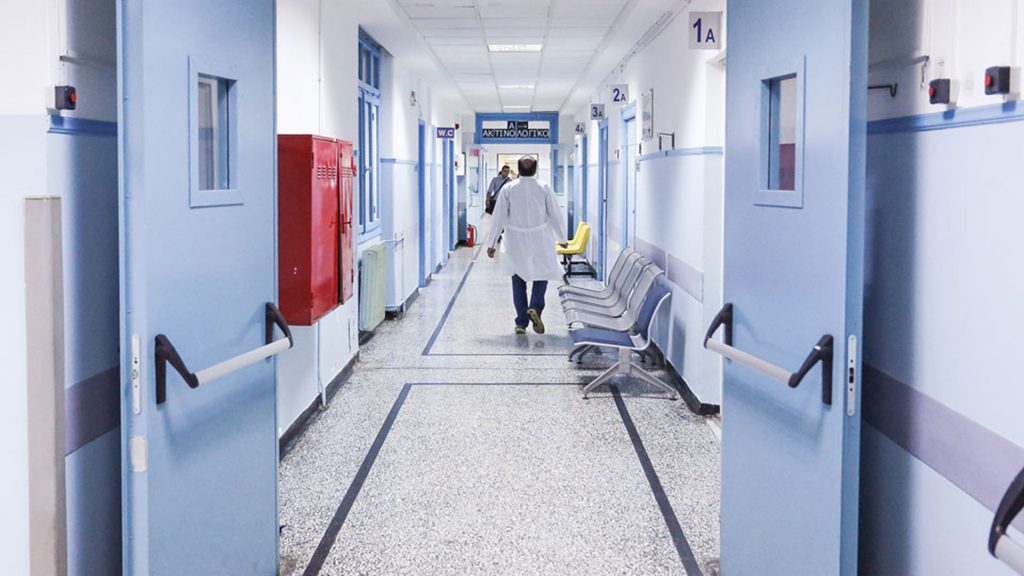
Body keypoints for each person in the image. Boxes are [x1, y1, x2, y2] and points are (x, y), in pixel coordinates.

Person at [484, 157, 567, 335]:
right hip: (540, 238)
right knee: (542, 274)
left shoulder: (508, 189)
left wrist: (492, 244)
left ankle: (521, 323)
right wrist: (562, 238)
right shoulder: (544, 187)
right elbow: (555, 214)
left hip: (515, 240)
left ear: (519, 170)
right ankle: (535, 307)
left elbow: (498, 217)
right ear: (536, 170)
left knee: (518, 279)